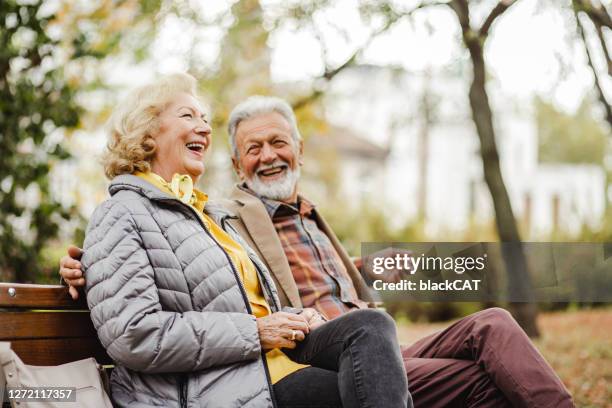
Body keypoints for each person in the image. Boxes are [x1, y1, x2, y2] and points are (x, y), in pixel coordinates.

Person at [61, 93, 574, 407]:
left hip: (363, 343)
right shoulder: (228, 211)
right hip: (310, 354)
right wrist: (76, 265)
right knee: (477, 381)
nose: (267, 157)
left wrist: (382, 267)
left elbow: (336, 280)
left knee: (493, 323)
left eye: (278, 144)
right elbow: (135, 273)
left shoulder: (301, 216)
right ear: (237, 165)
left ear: (300, 149)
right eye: (252, 149)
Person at [79, 73, 409, 408]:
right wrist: (258, 331)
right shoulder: (121, 213)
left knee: (371, 326)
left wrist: (296, 316)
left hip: (271, 363)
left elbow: (242, 304)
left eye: (205, 119)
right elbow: (134, 333)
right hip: (215, 386)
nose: (205, 129)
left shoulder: (207, 214)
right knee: (380, 387)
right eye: (188, 116)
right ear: (147, 131)